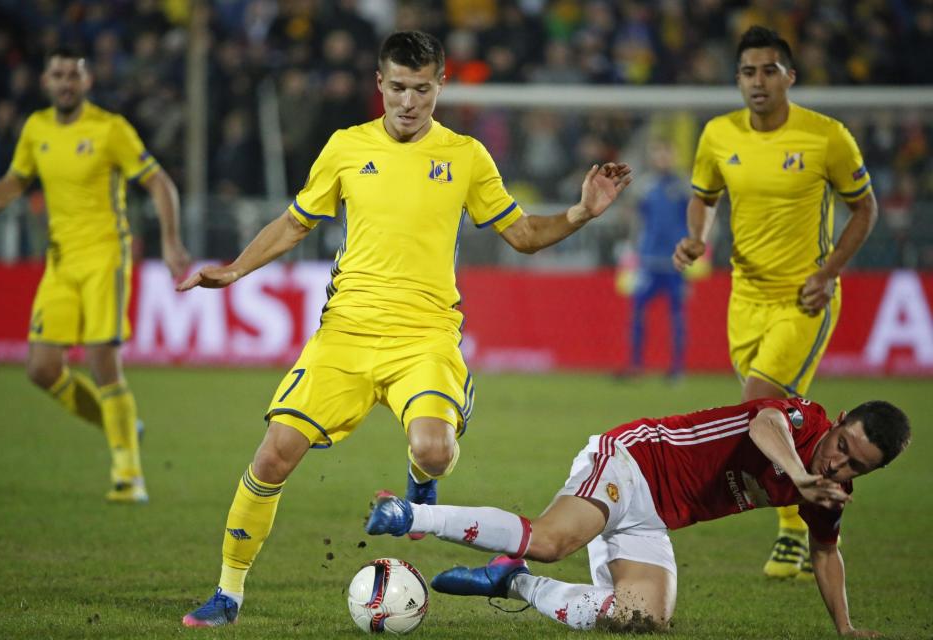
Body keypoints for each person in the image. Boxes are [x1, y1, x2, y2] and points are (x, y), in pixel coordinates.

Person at [178, 30, 633, 627]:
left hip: (424, 337)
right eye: (398, 88)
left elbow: (521, 235)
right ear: (379, 84)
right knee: (272, 458)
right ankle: (228, 594)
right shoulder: (345, 147)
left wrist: (579, 213)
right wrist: (236, 269)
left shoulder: (466, 155)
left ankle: (422, 482)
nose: (409, 102)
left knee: (434, 449)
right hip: (344, 335)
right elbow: (294, 224)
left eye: (422, 89)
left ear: (440, 85)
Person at [367, 398, 910, 636]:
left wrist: (845, 628)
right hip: (634, 459)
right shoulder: (802, 419)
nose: (837, 463)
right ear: (836, 422)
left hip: (653, 517)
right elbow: (763, 424)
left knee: (643, 619)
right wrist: (797, 472)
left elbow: (825, 551)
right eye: (841, 445)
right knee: (553, 540)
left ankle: (514, 583)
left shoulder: (827, 489)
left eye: (855, 467)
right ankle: (411, 513)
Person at [672, 26, 878, 579]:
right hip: (746, 297)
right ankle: (813, 527)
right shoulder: (719, 134)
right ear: (737, 79)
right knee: (782, 420)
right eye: (747, 72)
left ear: (790, 75)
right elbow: (703, 196)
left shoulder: (826, 137)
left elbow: (865, 209)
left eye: (768, 70)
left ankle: (792, 532)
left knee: (760, 403)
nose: (757, 81)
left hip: (803, 299)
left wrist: (828, 272)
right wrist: (697, 237)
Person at [0, 46, 190, 503]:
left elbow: (159, 182)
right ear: (46, 81)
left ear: (87, 82)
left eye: (74, 74)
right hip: (58, 262)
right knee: (41, 369)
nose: (66, 82)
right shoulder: (36, 128)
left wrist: (171, 242)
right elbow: (17, 179)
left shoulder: (109, 130)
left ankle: (129, 475)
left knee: (101, 361)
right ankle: (123, 425)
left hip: (105, 258)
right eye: (58, 74)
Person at [627, 138, 689, 379]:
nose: (662, 158)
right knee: (638, 311)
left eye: (666, 153)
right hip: (649, 260)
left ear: (673, 156)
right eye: (658, 154)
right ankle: (636, 364)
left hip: (675, 262)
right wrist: (633, 250)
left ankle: (676, 368)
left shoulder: (683, 187)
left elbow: (695, 219)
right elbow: (636, 221)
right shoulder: (644, 187)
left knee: (676, 315)